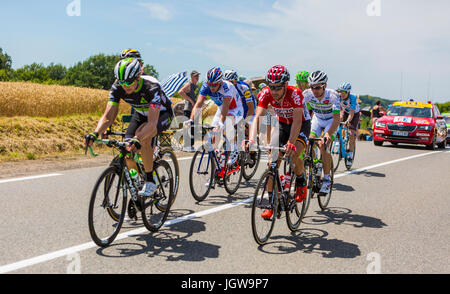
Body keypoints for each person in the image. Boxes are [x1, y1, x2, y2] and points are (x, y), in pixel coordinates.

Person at [84, 58, 173, 197]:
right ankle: (138, 180)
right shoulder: (117, 88)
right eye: (121, 82)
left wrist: (138, 138)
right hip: (140, 114)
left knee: (143, 138)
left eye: (129, 82)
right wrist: (95, 133)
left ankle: (150, 180)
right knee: (127, 147)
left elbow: (151, 123)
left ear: (138, 76)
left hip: (161, 114)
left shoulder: (151, 86)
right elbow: (108, 117)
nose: (125, 86)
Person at [247, 65, 311, 219]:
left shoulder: (295, 94)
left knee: (294, 154)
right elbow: (257, 117)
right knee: (272, 164)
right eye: (271, 87)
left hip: (301, 125)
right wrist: (251, 139)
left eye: (277, 87)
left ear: (285, 85)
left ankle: (301, 179)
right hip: (282, 124)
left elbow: (296, 121)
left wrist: (290, 143)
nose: (273, 91)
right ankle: (271, 203)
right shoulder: (265, 94)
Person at [186, 67, 244, 166]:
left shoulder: (227, 87)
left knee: (227, 123)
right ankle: (216, 170)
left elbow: (226, 107)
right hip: (221, 108)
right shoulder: (205, 86)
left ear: (220, 82)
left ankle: (234, 150)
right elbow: (198, 104)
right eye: (210, 84)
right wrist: (191, 120)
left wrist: (221, 123)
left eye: (215, 85)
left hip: (235, 109)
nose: (212, 87)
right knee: (213, 136)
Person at [303, 71, 341, 195]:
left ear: (324, 85)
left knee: (323, 145)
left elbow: (336, 119)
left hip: (331, 121)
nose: (315, 90)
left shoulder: (333, 96)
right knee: (308, 142)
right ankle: (315, 166)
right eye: (312, 87)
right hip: (317, 119)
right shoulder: (307, 94)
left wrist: (328, 134)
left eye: (318, 87)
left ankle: (326, 179)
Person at [337, 82, 360, 166]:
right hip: (345, 112)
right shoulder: (338, 96)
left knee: (351, 133)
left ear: (348, 92)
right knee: (337, 125)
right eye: (340, 91)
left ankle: (350, 154)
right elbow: (337, 109)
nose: (341, 94)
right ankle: (340, 142)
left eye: (344, 92)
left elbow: (352, 113)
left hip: (354, 114)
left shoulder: (352, 98)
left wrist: (348, 121)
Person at [178, 70, 200, 152]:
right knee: (188, 127)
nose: (197, 77)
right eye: (195, 76)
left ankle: (190, 145)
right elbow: (180, 92)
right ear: (191, 77)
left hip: (194, 110)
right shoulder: (189, 84)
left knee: (193, 128)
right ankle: (186, 146)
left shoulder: (196, 86)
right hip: (188, 109)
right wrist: (190, 100)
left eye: (198, 76)